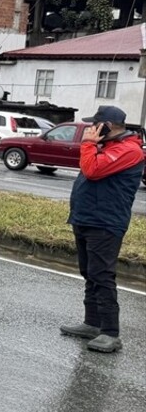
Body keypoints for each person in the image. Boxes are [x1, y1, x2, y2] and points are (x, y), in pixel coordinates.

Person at [61, 105, 144, 353]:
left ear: (106, 126)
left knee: (102, 275)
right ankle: (92, 323)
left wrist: (88, 145)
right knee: (89, 272)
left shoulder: (129, 150)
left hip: (105, 222)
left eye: (94, 124)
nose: (89, 129)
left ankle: (110, 332)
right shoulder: (106, 147)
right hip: (85, 218)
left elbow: (92, 171)